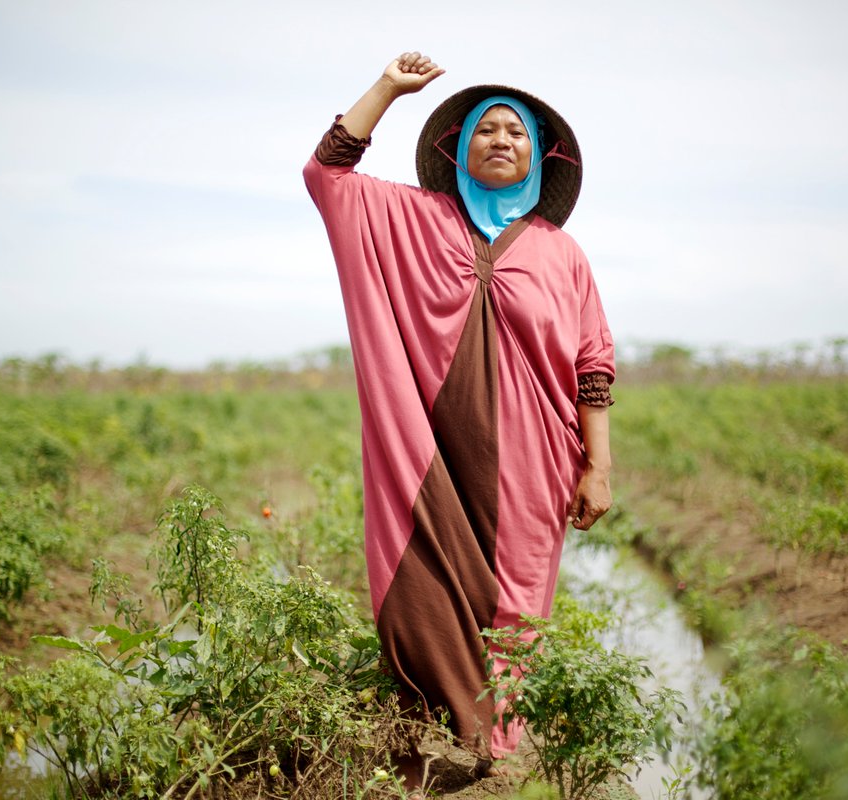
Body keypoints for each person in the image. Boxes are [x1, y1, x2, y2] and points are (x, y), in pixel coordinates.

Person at [303, 52, 615, 792]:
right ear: (458, 147)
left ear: (538, 156)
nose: (501, 140)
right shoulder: (414, 219)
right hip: (429, 456)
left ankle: (495, 762)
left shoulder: (562, 254)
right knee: (423, 600)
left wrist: (598, 466)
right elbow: (326, 178)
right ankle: (419, 739)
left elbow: (592, 366)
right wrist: (387, 89)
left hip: (536, 465)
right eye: (486, 131)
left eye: (516, 133)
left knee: (513, 611)